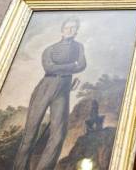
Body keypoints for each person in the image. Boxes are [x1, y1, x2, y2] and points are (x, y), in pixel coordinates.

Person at [14, 17, 86, 170]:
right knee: (30, 133)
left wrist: (65, 67)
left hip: (62, 92)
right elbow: (49, 68)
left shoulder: (79, 47)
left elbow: (82, 65)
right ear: (62, 30)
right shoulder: (50, 49)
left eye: (74, 28)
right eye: (68, 28)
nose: (70, 30)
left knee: (58, 135)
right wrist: (71, 66)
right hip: (45, 88)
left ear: (77, 31)